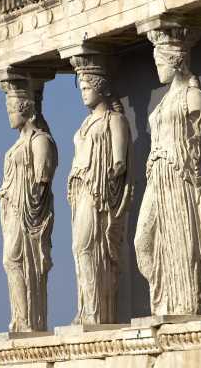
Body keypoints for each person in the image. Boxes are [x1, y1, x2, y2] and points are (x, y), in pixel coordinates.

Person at [135, 28, 201, 315]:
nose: (157, 69)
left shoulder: (194, 98)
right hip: (157, 175)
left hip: (179, 176)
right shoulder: (164, 101)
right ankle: (164, 295)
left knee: (181, 240)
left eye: (160, 62)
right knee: (143, 240)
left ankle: (185, 302)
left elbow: (197, 146)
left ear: (175, 61)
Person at [69, 56, 133, 324]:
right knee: (79, 249)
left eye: (86, 87)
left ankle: (96, 313)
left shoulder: (114, 120)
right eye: (81, 88)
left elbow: (119, 163)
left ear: (99, 86)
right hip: (81, 191)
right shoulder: (84, 125)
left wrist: (104, 182)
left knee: (88, 247)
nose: (83, 93)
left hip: (99, 194)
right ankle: (86, 308)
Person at [0, 82, 58, 331]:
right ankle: (21, 319)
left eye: (12, 109)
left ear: (25, 108)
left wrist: (28, 210)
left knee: (17, 261)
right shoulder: (16, 146)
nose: (9, 115)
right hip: (12, 211)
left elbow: (42, 182)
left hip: (28, 214)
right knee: (11, 261)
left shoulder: (40, 141)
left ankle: (29, 321)